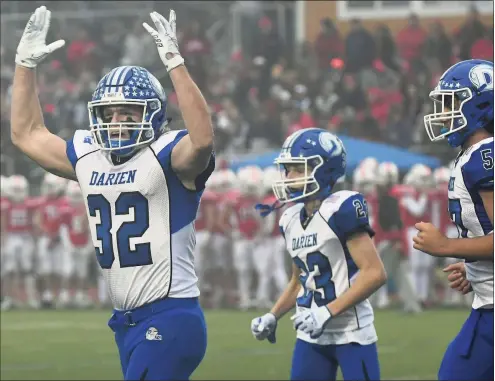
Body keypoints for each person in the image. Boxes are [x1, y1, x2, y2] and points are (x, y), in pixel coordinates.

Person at [11, 6, 214, 381]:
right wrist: (24, 66)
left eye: (128, 113)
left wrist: (174, 61)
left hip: (171, 316)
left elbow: (202, 141)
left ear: (152, 116)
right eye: (110, 114)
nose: (117, 122)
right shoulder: (90, 157)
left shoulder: (167, 155)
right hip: (126, 322)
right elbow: (26, 133)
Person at [251, 128, 387, 381]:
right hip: (310, 334)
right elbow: (299, 281)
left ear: (323, 169)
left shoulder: (341, 208)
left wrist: (328, 311)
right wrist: (273, 314)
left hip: (351, 332)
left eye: (297, 169)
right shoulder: (290, 218)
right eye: (287, 169)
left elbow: (375, 273)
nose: (288, 176)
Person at [420, 59, 493, 380]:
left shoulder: (484, 157)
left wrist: (445, 245)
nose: (444, 112)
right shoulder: (474, 155)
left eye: (452, 102)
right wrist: (474, 267)